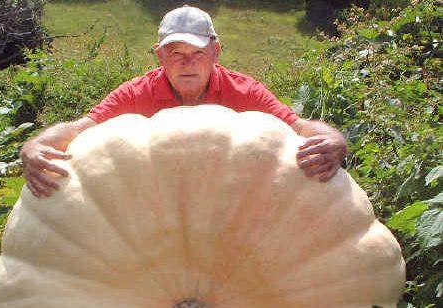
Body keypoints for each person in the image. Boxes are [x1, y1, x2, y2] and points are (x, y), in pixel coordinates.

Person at [20, 6, 347, 198]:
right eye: (175, 53)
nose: (186, 63)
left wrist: (332, 140)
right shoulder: (137, 93)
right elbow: (79, 129)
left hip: (228, 202)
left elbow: (298, 126)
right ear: (160, 55)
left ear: (216, 52)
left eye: (197, 53)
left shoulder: (243, 91)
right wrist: (33, 147)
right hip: (157, 209)